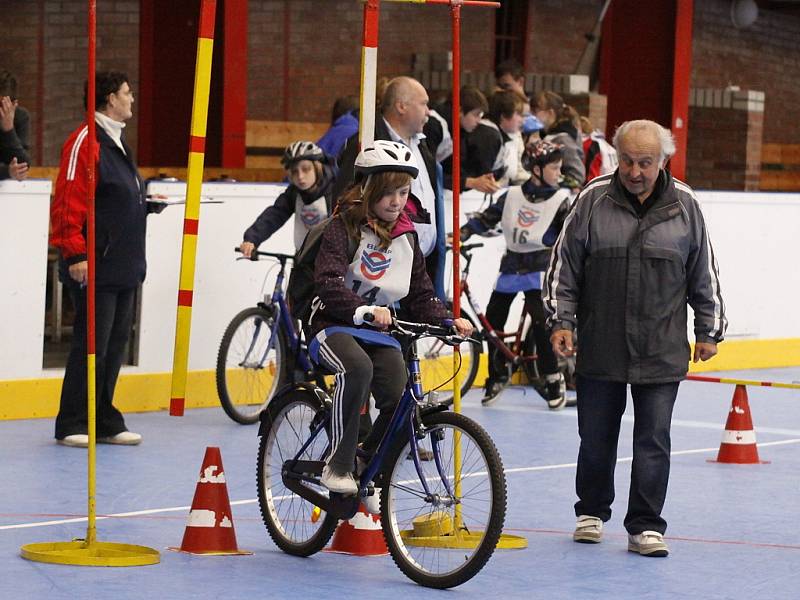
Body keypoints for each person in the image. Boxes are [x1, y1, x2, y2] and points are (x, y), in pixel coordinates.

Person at [544, 119, 727, 557]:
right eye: (627, 160)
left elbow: (704, 272)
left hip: (661, 347)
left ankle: (645, 525)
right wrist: (561, 320)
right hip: (600, 341)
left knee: (653, 441)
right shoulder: (592, 199)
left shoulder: (686, 205)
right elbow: (563, 266)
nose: (634, 170)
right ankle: (590, 511)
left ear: (663, 161)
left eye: (645, 162)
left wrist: (709, 329)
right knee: (596, 437)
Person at [308, 140, 472, 498]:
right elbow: (328, 281)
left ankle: (365, 459)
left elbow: (420, 294)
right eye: (387, 194)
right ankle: (337, 463)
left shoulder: (406, 237)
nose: (396, 202)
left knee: (401, 397)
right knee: (357, 369)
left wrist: (447, 321)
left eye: (403, 192)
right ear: (366, 189)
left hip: (378, 332)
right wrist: (361, 309)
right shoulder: (343, 227)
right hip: (331, 326)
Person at [49, 71, 166, 448]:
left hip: (124, 265)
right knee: (91, 345)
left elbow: (111, 195)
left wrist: (143, 205)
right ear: (109, 98)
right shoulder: (85, 141)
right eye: (127, 94)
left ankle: (102, 416)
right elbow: (68, 198)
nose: (132, 100)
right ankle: (72, 420)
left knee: (115, 346)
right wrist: (74, 251)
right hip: (95, 264)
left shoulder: (117, 141)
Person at [459, 140, 571, 407]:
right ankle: (497, 374)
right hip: (511, 265)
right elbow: (486, 218)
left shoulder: (560, 200)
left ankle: (552, 377)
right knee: (493, 321)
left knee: (543, 325)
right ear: (536, 169)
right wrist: (463, 232)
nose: (559, 172)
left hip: (541, 266)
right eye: (554, 167)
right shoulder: (511, 196)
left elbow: (571, 236)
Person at [335, 76, 447, 300]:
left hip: (418, 271)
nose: (429, 112)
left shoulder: (423, 146)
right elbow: (345, 203)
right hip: (378, 272)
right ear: (401, 106)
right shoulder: (365, 145)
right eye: (424, 104)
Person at [239, 141, 337, 256]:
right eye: (295, 171)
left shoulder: (336, 189)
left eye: (306, 169)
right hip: (303, 257)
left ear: (317, 167)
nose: (300, 176)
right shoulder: (294, 193)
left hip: (331, 258)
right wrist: (252, 239)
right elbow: (274, 215)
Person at [438, 85, 501, 194]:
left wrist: (479, 181)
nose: (478, 121)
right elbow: (429, 172)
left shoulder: (462, 133)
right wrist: (470, 182)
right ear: (460, 111)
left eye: (481, 116)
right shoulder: (437, 128)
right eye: (476, 115)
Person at [533, 91, 585, 189]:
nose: (532, 115)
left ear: (550, 113)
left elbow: (577, 175)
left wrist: (558, 185)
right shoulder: (546, 135)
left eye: (535, 111)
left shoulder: (562, 139)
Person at [483, 89, 528, 188]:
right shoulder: (488, 136)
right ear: (503, 116)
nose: (523, 120)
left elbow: (514, 173)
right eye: (519, 114)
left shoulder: (510, 135)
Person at [0, 70, 31, 181]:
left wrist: (8, 129)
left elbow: (23, 164)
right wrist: (7, 172)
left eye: (2, 105)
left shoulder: (20, 116)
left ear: (14, 105)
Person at [579, 115, 618, 183]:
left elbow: (592, 174)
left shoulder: (589, 143)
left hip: (601, 183)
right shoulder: (603, 143)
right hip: (613, 180)